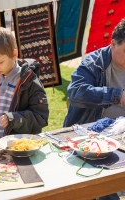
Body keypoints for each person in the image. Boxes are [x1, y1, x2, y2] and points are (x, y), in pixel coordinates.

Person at [63, 18, 125, 200]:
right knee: (103, 189)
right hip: (91, 139)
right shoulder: (93, 63)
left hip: (121, 136)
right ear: (113, 43)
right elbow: (75, 93)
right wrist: (117, 95)